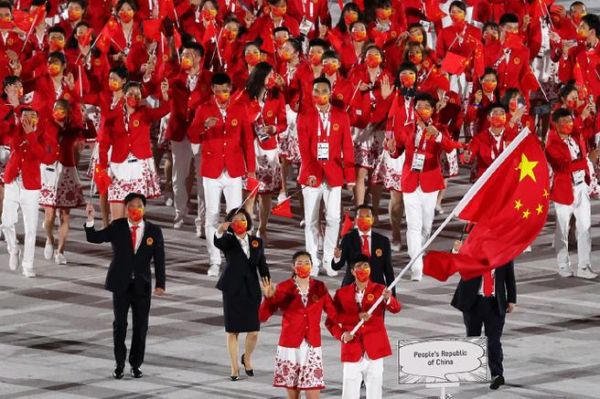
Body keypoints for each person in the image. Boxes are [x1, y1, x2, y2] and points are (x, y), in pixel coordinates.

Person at [84, 193, 166, 379]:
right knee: (120, 325)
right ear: (126, 208)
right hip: (120, 284)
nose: (135, 209)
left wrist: (160, 283)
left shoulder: (153, 231)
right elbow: (95, 238)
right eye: (131, 206)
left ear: (144, 208)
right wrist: (90, 219)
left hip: (142, 285)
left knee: (141, 327)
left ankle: (136, 364)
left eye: (139, 206)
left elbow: (159, 259)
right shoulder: (118, 226)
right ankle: (119, 364)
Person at [387, 93, 462, 281]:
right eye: (418, 107)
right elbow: (397, 152)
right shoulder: (406, 129)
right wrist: (391, 149)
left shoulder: (439, 128)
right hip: (410, 181)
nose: (421, 110)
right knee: (413, 225)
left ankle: (419, 253)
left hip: (430, 182)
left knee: (426, 227)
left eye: (425, 107)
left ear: (431, 109)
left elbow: (450, 147)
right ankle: (416, 266)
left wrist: (437, 137)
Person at [190, 72, 256, 277]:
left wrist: (251, 171)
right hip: (211, 170)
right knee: (211, 216)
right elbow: (191, 135)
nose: (222, 94)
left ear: (230, 90)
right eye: (218, 91)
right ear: (213, 90)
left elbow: (247, 141)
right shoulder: (204, 109)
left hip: (234, 170)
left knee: (236, 215)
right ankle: (214, 260)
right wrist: (203, 126)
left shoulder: (240, 108)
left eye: (226, 91)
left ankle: (234, 257)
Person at [297, 77, 356, 277]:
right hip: (311, 175)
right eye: (316, 91)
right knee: (312, 220)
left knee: (333, 218)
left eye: (323, 90)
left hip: (334, 173)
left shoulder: (341, 116)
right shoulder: (304, 115)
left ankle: (330, 260)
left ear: (330, 93)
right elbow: (304, 149)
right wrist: (311, 173)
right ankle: (312, 262)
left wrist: (350, 176)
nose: (319, 94)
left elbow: (347, 147)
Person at [259, 251, 338, 399]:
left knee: (314, 394)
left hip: (312, 347)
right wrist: (268, 298)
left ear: (312, 266)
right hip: (290, 348)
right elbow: (262, 317)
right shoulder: (283, 287)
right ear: (293, 267)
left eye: (307, 263)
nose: (303, 266)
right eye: (299, 263)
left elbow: (334, 313)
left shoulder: (319, 287)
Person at [326, 255, 401, 399]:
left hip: (375, 349)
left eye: (366, 266)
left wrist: (388, 299)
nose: (363, 270)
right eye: (359, 267)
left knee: (375, 393)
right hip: (352, 348)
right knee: (349, 393)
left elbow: (396, 308)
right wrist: (342, 335)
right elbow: (331, 321)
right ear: (352, 271)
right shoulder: (342, 294)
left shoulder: (380, 290)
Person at [214, 208, 270, 380]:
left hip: (251, 289)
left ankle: (247, 357)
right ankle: (234, 367)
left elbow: (262, 265)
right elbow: (218, 242)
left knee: (253, 331)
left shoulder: (256, 242)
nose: (240, 222)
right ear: (231, 223)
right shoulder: (228, 241)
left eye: (243, 219)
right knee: (233, 331)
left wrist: (267, 283)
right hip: (232, 288)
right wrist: (219, 230)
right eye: (236, 220)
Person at [545, 109, 598, 279]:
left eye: (570, 120)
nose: (569, 124)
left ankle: (584, 265)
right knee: (563, 229)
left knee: (585, 228)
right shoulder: (552, 144)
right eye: (564, 121)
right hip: (564, 190)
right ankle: (563, 264)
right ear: (556, 124)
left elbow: (588, 128)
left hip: (581, 187)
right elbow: (562, 167)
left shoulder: (576, 137)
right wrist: (587, 159)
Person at [451, 258, 516, 390]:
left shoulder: (504, 252)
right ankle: (473, 369)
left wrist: (511, 299)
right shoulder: (473, 248)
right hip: (473, 301)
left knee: (493, 341)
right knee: (473, 337)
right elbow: (458, 265)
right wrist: (455, 251)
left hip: (495, 303)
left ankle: (497, 374)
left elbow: (510, 276)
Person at [2, 107, 47, 277]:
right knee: (6, 222)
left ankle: (28, 265)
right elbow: (12, 144)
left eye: (32, 116)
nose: (28, 119)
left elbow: (43, 156)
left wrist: (31, 135)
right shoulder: (15, 131)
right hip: (13, 182)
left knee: (30, 229)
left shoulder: (42, 134)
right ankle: (13, 249)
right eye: (25, 116)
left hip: (31, 187)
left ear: (37, 118)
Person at [332, 205, 395, 294]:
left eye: (367, 216)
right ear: (355, 220)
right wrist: (337, 257)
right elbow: (337, 266)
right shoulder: (348, 239)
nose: (364, 219)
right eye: (360, 217)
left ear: (373, 219)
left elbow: (388, 271)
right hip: (352, 289)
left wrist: (392, 297)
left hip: (376, 288)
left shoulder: (383, 241)